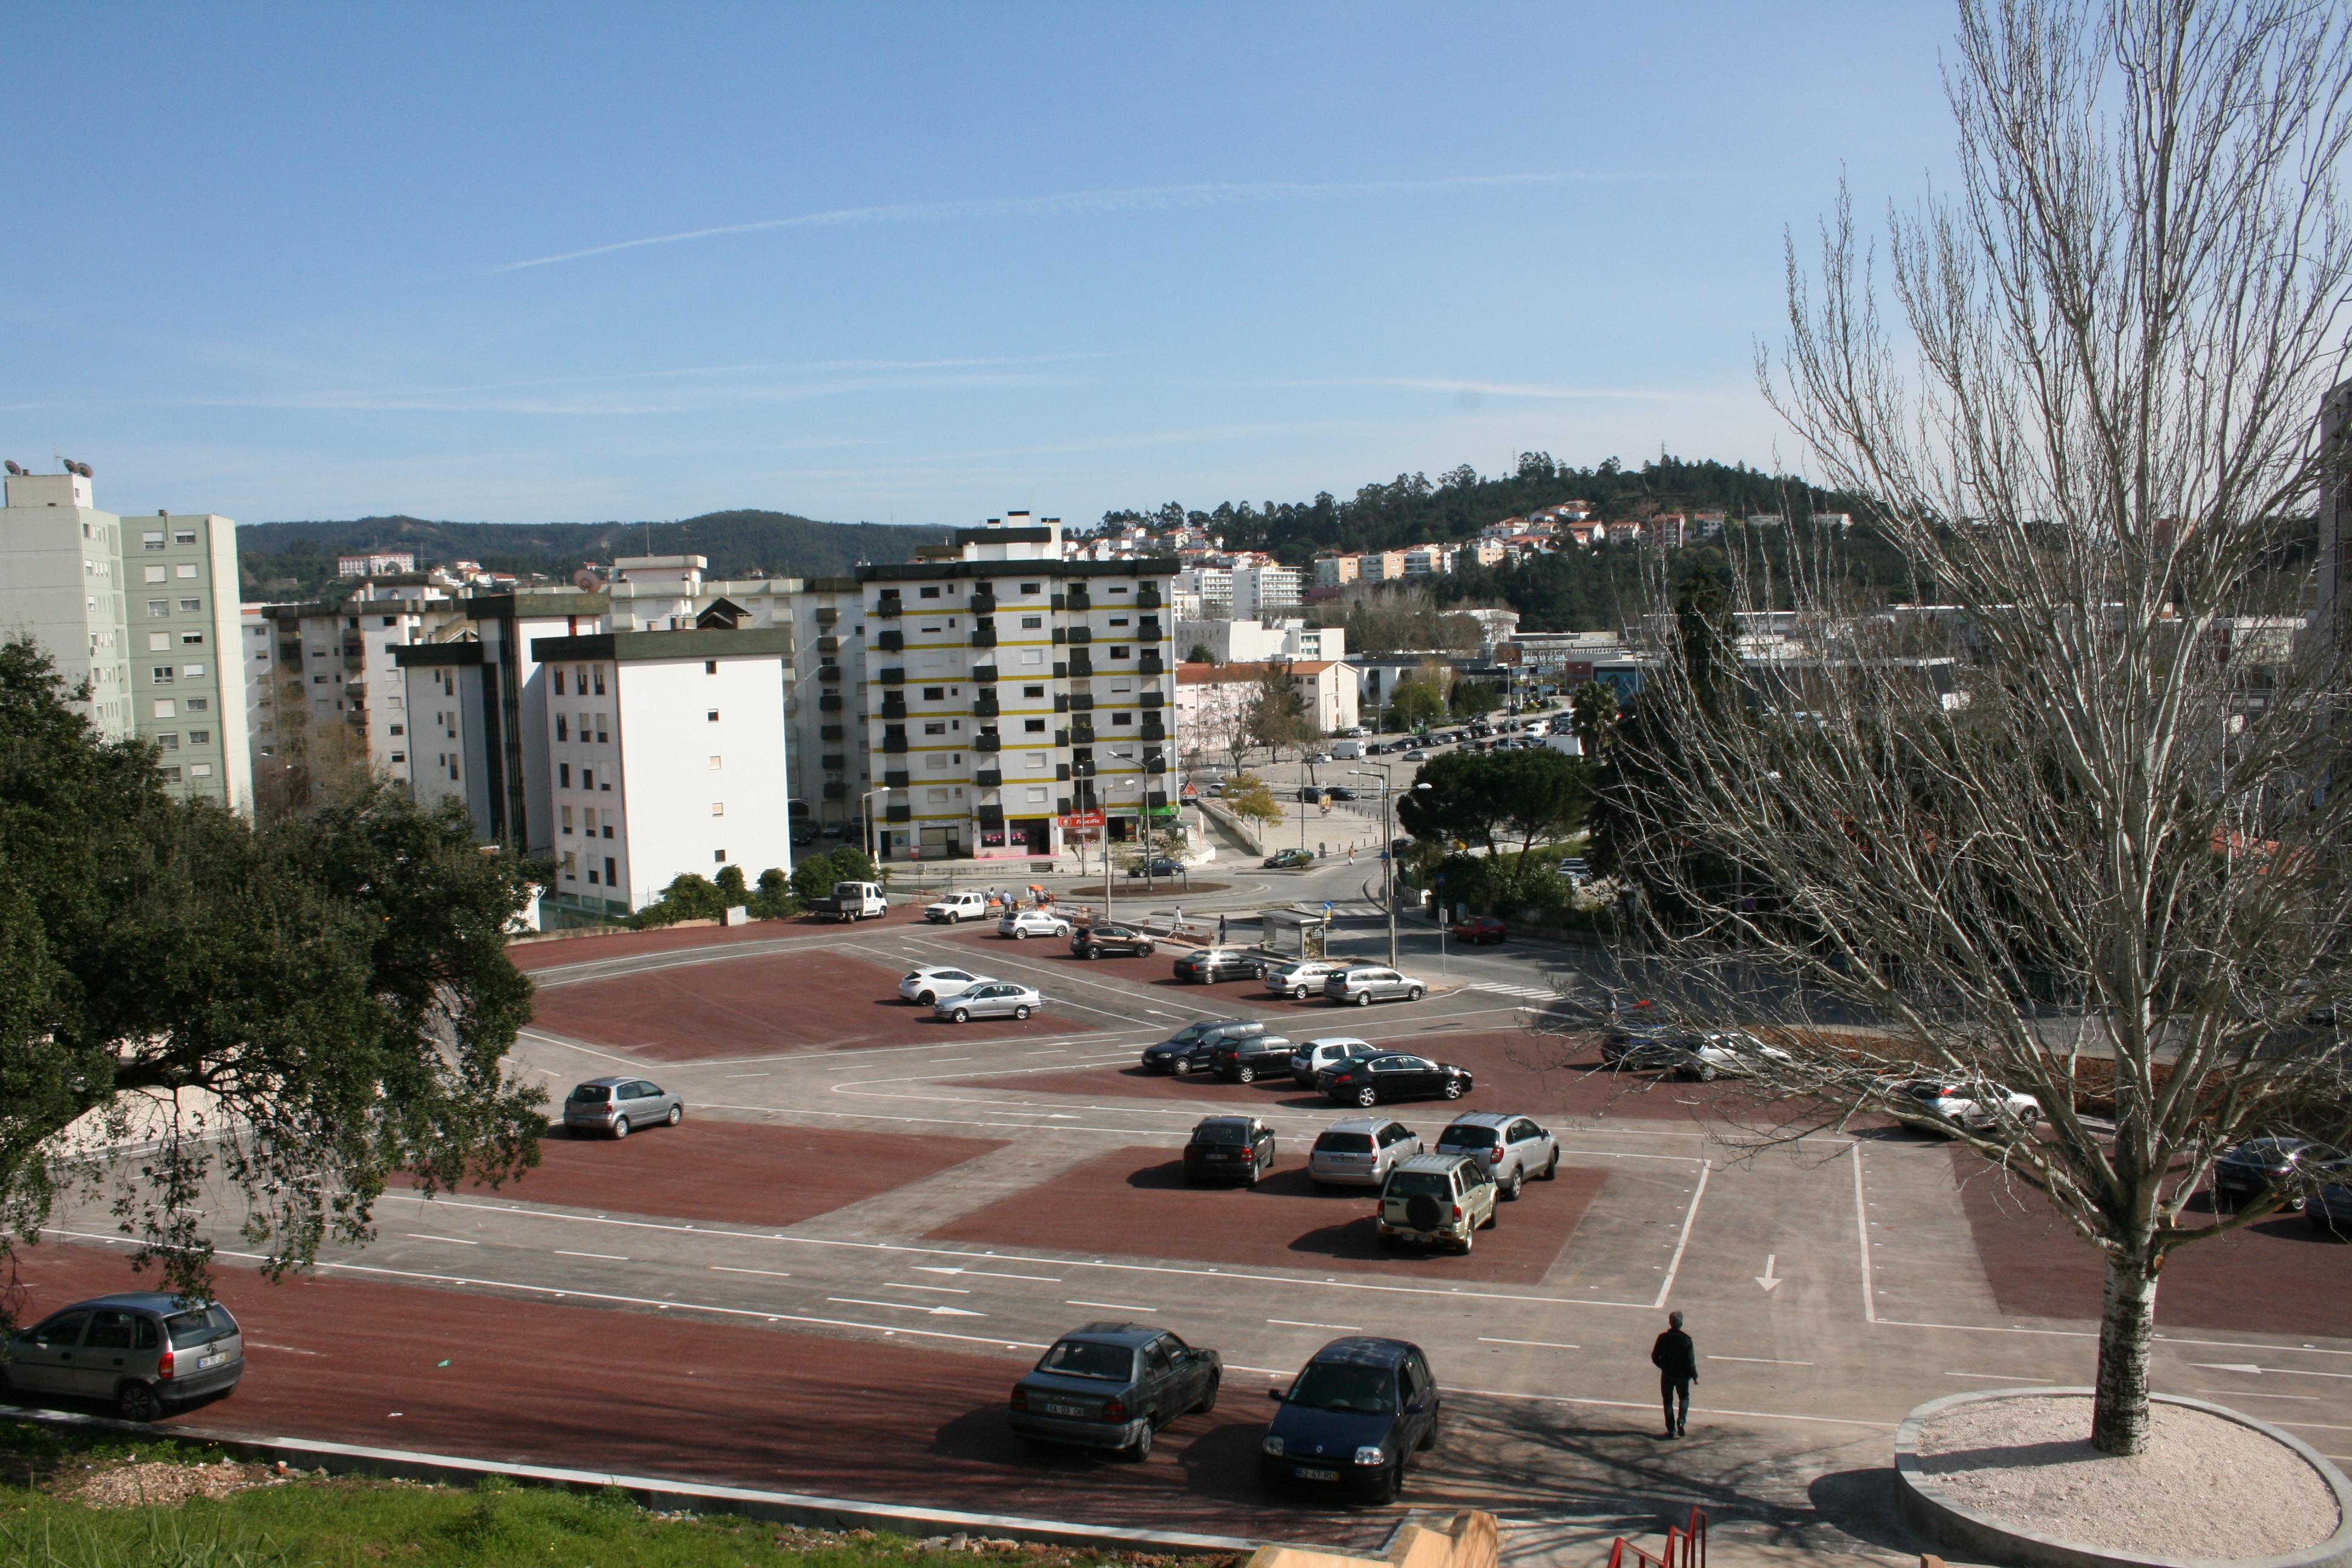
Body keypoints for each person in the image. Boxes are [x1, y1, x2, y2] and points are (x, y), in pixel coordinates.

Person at [1650, 1310, 1696, 1437]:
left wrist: (1663, 1366)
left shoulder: (1663, 1338)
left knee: (1668, 1401)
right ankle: (1681, 1421)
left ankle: (1671, 1430)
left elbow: (1655, 1356)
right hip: (1682, 1376)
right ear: (1681, 1323)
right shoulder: (1686, 1340)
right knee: (1684, 1397)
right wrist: (1694, 1376)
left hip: (1668, 1375)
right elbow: (1690, 1362)